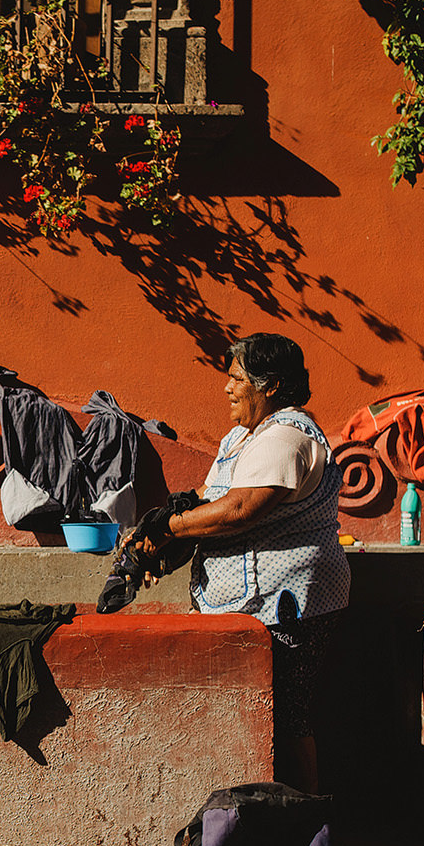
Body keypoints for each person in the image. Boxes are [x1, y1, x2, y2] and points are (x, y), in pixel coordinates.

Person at [134, 333, 349, 793]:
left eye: (236, 379)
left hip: (288, 601)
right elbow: (212, 508)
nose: (227, 389)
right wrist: (167, 548)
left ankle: (305, 831)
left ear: (269, 385)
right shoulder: (243, 437)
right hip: (250, 599)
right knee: (263, 714)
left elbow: (238, 510)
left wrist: (165, 529)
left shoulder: (288, 436)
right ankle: (258, 824)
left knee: (288, 717)